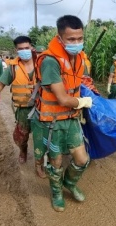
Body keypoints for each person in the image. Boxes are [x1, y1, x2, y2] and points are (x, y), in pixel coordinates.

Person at [31, 15, 92, 212]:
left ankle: (70, 183)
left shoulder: (79, 58)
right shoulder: (50, 61)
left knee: (82, 159)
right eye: (71, 40)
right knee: (56, 161)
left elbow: (81, 83)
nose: (76, 43)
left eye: (80, 39)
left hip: (71, 118)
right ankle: (56, 192)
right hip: (52, 122)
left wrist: (90, 95)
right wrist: (83, 102)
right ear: (59, 38)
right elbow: (63, 99)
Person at [0, 36, 45, 176]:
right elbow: (0, 84)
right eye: (21, 49)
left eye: (27, 48)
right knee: (21, 136)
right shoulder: (12, 68)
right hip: (23, 109)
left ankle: (39, 165)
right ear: (16, 50)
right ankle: (23, 150)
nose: (24, 51)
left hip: (41, 108)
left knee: (40, 138)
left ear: (31, 48)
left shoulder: (43, 64)